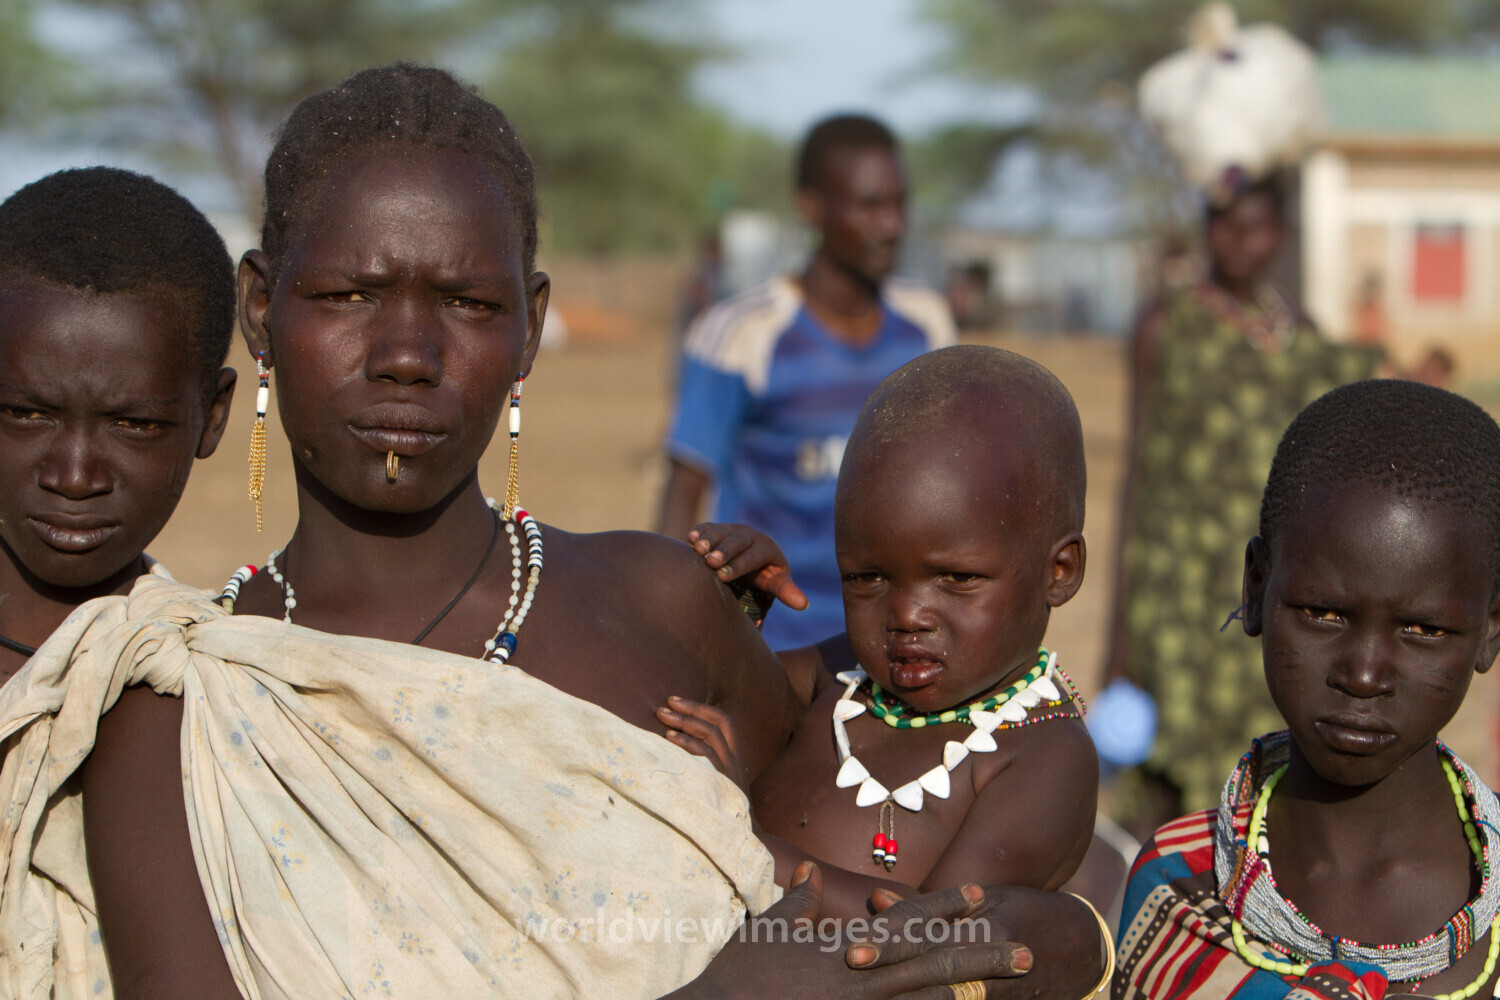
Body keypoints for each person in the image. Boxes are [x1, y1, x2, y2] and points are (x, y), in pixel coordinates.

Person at [0, 66, 1110, 1000]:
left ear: (531, 325)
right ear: (260, 308)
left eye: (471, 306)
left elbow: (876, 890)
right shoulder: (176, 708)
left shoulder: (663, 604)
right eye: (348, 294)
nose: (406, 351)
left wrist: (1069, 929)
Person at [660, 346, 1098, 919]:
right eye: (867, 578)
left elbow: (924, 931)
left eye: (957, 579)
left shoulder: (1044, 755)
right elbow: (713, 694)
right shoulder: (841, 679)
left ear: (1057, 572)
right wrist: (732, 610)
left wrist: (731, 833)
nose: (906, 615)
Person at [1115, 379, 1500, 1000]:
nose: (1364, 675)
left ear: (1488, 633)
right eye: (1323, 613)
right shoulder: (1178, 887)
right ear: (1256, 587)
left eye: (1424, 630)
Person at [1104, 175, 1380, 832]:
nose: (1238, 242)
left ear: (1280, 236)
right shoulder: (1168, 325)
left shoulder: (1302, 336)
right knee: (1171, 784)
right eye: (1224, 225)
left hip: (1272, 585)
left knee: (1264, 782)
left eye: (1254, 227)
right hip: (1177, 596)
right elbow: (1138, 472)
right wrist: (1118, 637)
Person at [657, 113, 956, 649]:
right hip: (774, 642)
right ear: (811, 207)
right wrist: (669, 634)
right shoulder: (741, 333)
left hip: (896, 647)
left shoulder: (927, 327)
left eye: (899, 204)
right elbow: (684, 494)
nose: (891, 224)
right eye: (869, 206)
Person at [0, 166, 236, 681]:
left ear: (212, 416)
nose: (75, 479)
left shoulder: (230, 692)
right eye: (25, 415)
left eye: (134, 424)